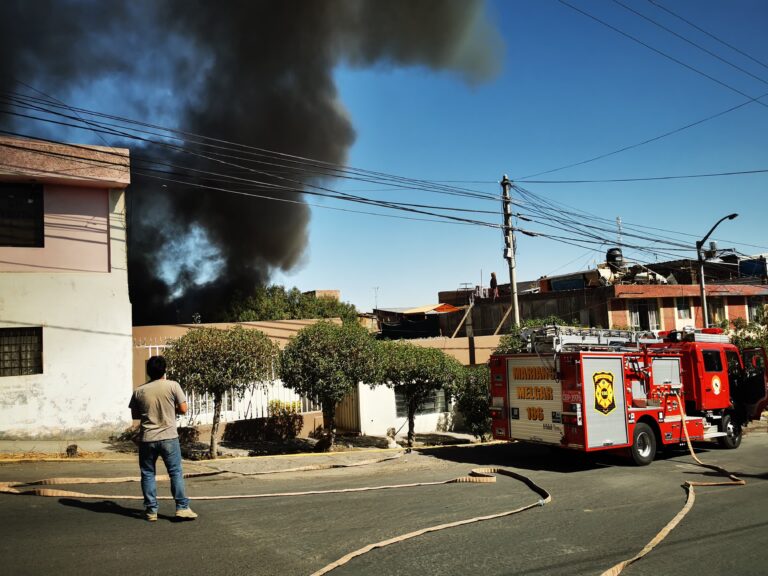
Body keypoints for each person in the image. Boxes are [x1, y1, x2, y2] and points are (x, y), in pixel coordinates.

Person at [129, 355, 197, 522]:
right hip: (169, 437)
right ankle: (181, 507)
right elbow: (183, 409)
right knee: (175, 472)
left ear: (148, 371)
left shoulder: (139, 391)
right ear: (164, 370)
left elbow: (135, 415)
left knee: (147, 473)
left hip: (147, 438)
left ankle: (151, 510)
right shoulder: (173, 385)